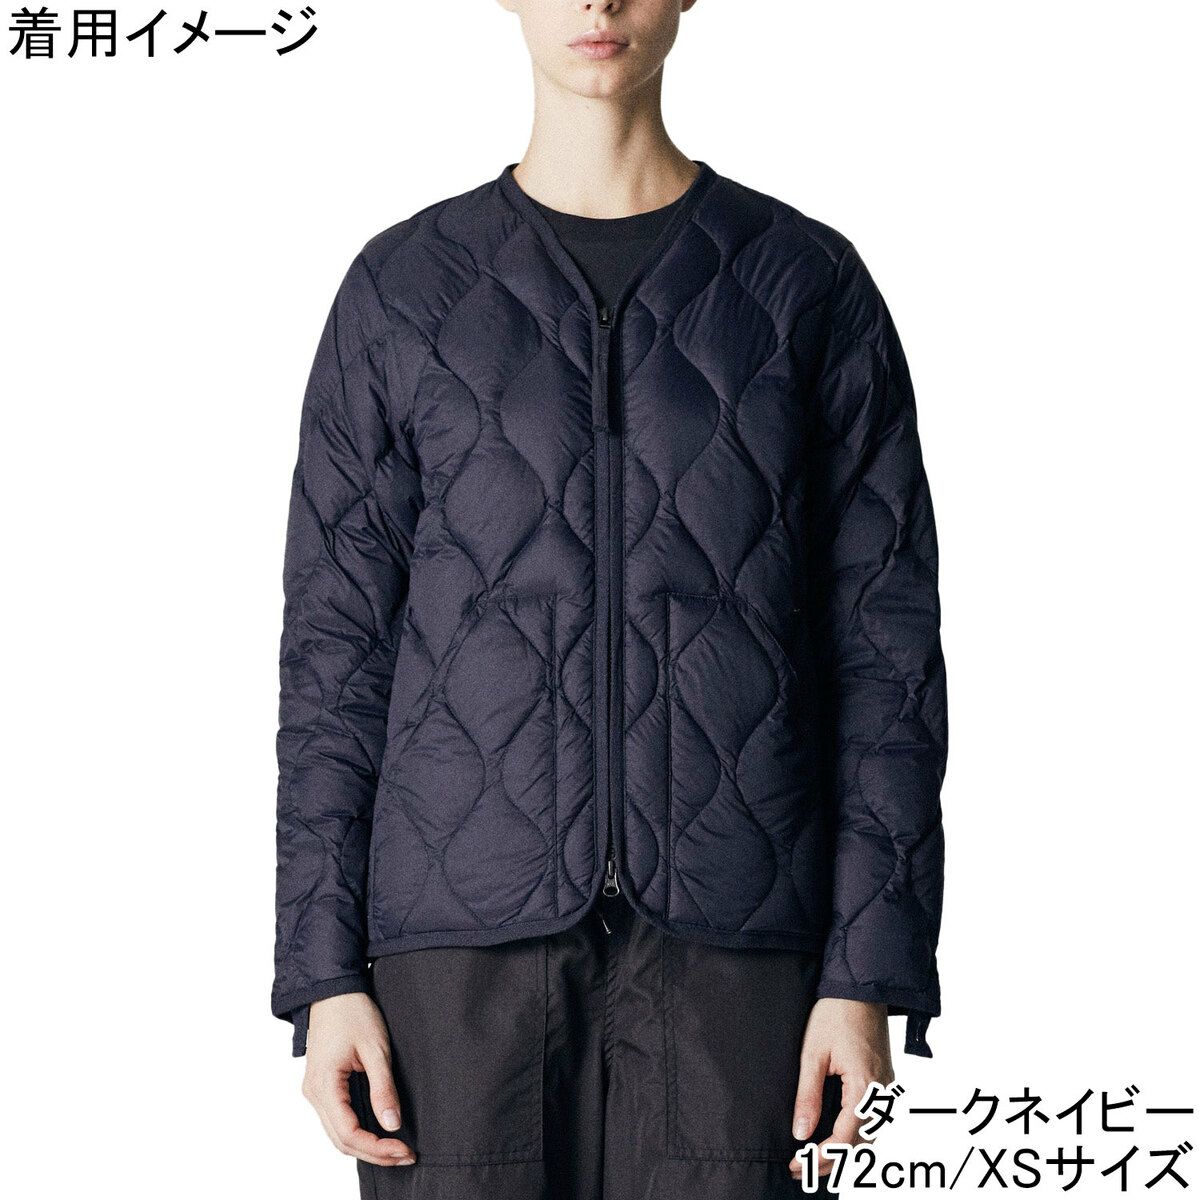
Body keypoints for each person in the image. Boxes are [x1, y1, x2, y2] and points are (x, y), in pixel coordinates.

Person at [270, 1, 949, 1196]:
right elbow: (338, 655)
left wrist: (867, 971)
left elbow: (885, 654)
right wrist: (323, 976)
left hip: (740, 949)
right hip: (453, 953)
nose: (597, 2)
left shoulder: (805, 284)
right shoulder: (405, 289)